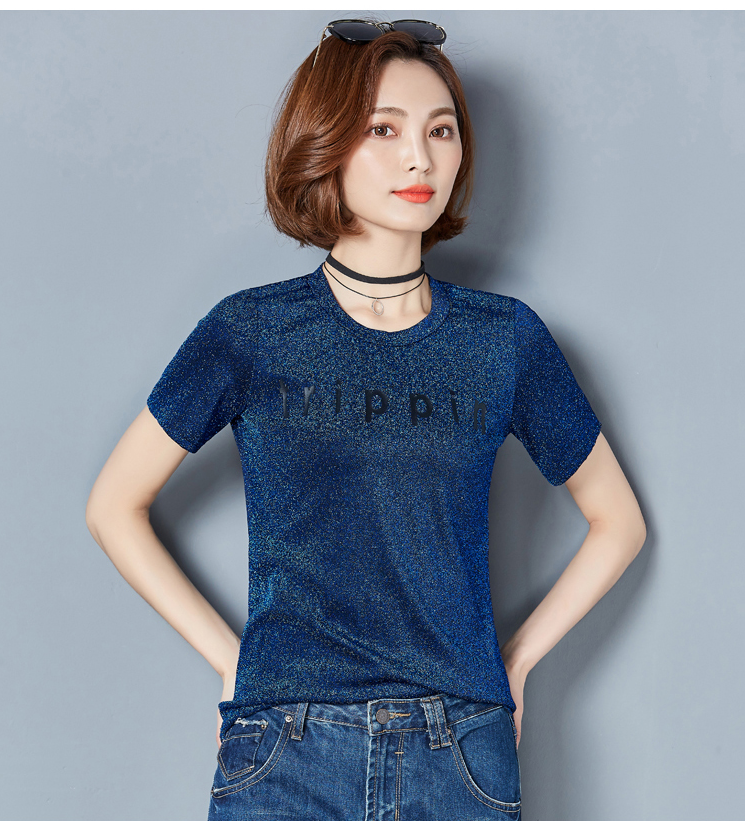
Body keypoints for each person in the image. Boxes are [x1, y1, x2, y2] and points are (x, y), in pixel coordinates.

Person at [85, 19, 646, 821]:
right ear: (325, 140)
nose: (420, 158)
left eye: (440, 130)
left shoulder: (505, 340)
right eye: (384, 129)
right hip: (284, 746)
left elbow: (619, 521)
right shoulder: (251, 331)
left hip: (461, 750)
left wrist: (515, 662)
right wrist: (232, 663)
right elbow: (113, 504)